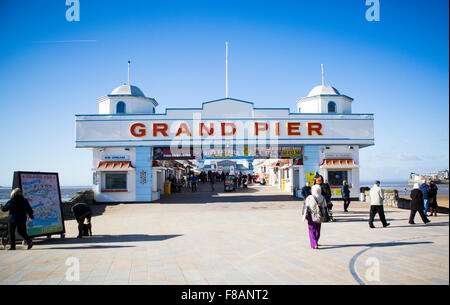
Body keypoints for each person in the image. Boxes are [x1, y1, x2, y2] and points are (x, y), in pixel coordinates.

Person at [301, 184, 327, 249]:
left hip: (311, 215)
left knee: (311, 229)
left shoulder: (310, 197)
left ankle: (314, 243)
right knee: (318, 228)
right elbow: (325, 205)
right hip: (319, 215)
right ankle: (316, 241)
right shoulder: (322, 197)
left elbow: (306, 206)